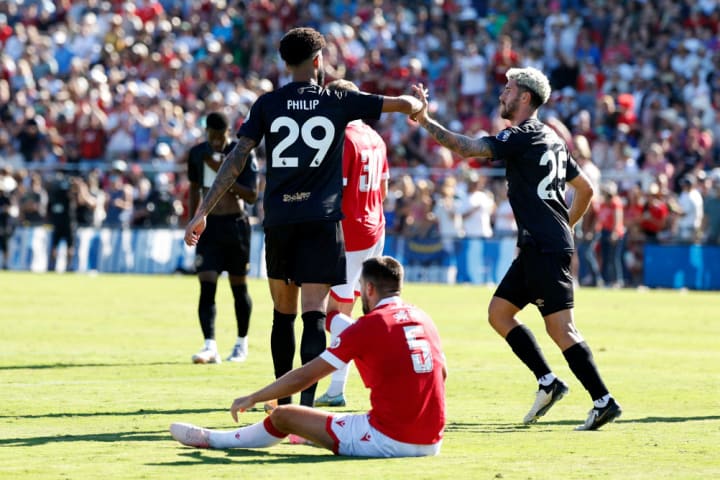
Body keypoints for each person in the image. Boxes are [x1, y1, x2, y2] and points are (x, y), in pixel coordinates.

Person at [184, 27, 424, 407]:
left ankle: (282, 405)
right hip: (322, 221)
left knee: (283, 314)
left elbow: (236, 158)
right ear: (318, 61)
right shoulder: (337, 101)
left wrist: (202, 213)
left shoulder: (266, 104)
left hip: (280, 219)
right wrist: (416, 103)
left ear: (285, 62)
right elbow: (404, 105)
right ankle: (306, 410)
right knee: (315, 313)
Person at [411, 67, 622, 430]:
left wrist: (426, 120)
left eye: (508, 89)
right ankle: (548, 381)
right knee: (499, 313)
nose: (501, 95)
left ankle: (603, 401)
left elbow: (468, 149)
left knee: (562, 329)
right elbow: (585, 188)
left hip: (543, 246)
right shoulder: (552, 137)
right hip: (538, 245)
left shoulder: (521, 135)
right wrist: (564, 227)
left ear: (524, 97)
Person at [170, 256, 447, 458]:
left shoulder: (369, 325)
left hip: (389, 439)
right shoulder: (425, 318)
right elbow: (440, 375)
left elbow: (305, 375)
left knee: (283, 414)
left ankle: (215, 440)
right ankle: (309, 435)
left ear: (370, 289)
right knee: (335, 419)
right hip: (433, 441)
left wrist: (254, 397)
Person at [313, 79, 390, 408]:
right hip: (376, 227)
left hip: (351, 233)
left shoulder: (343, 139)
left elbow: (336, 193)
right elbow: (383, 190)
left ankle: (340, 383)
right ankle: (335, 388)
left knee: (332, 313)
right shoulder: (375, 137)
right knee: (349, 305)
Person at [186, 111, 259, 364]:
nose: (217, 142)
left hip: (236, 226)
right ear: (206, 133)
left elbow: (251, 195)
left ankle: (241, 343)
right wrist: (192, 219)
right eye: (213, 136)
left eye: (221, 136)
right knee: (207, 283)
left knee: (238, 287)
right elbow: (194, 189)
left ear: (229, 133)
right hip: (209, 228)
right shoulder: (197, 154)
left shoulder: (241, 153)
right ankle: (210, 345)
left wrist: (223, 174)